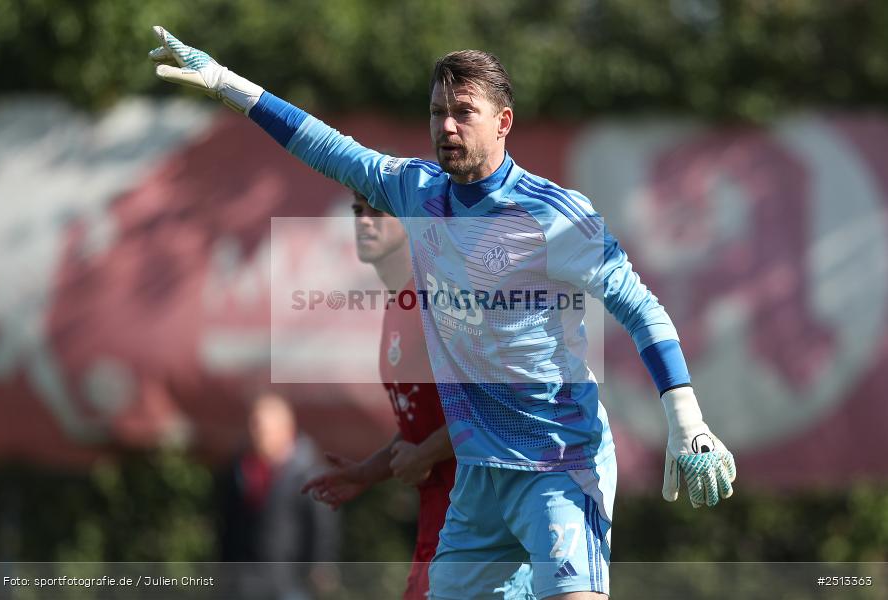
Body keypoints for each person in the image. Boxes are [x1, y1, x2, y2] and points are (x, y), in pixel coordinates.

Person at [150, 28, 736, 600]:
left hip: (559, 464)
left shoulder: (556, 215)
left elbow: (640, 307)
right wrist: (226, 82)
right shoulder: (415, 190)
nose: (447, 127)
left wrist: (686, 420)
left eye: (464, 111)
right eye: (437, 113)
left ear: (503, 122)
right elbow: (326, 147)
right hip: (479, 476)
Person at [301, 190, 457, 600]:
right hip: (438, 524)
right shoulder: (397, 304)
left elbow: (491, 411)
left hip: (477, 528)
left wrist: (423, 455)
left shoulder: (438, 300)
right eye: (357, 211)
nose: (363, 221)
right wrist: (369, 472)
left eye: (378, 211)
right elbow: (426, 424)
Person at [219, 391, 339, 600]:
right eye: (253, 426)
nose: (255, 434)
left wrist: (321, 566)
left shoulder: (307, 472)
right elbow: (227, 526)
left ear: (285, 430)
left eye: (262, 428)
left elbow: (321, 526)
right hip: (243, 582)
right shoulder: (239, 470)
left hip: (289, 583)